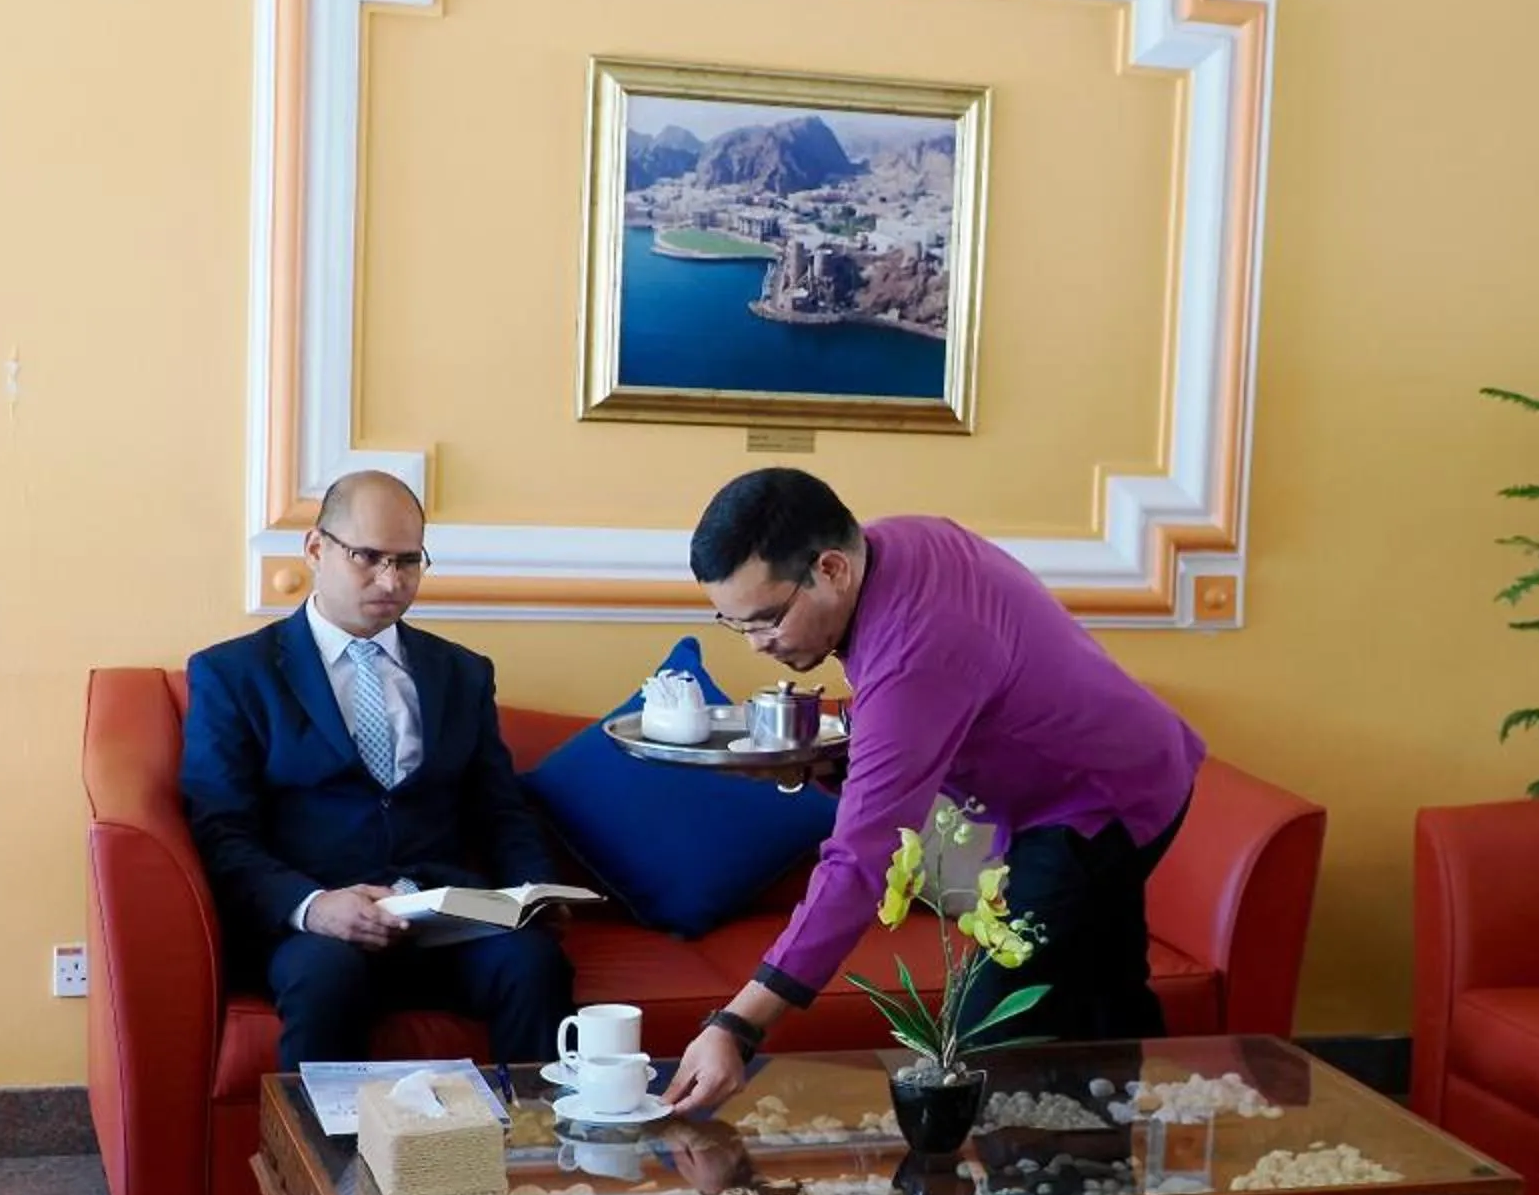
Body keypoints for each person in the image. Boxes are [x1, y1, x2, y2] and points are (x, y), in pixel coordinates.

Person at [665, 468, 1203, 1115]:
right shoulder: (894, 544)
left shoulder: (917, 650)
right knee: (1102, 1002)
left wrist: (736, 1025)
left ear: (831, 569)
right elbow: (933, 717)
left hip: (1100, 802)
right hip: (1131, 762)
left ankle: (1042, 1165)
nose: (758, 645)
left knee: (975, 1049)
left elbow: (859, 864)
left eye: (767, 620)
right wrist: (820, 762)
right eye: (735, 625)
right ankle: (1127, 1155)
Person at [181, 470, 575, 1070]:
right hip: (317, 927)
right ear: (317, 549)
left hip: (442, 922)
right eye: (367, 557)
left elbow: (500, 810)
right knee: (325, 978)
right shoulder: (235, 675)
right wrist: (312, 905)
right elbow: (220, 829)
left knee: (534, 963)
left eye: (408, 561)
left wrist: (535, 891)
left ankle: (535, 1131)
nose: (391, 582)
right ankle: (318, 1137)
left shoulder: (461, 673)